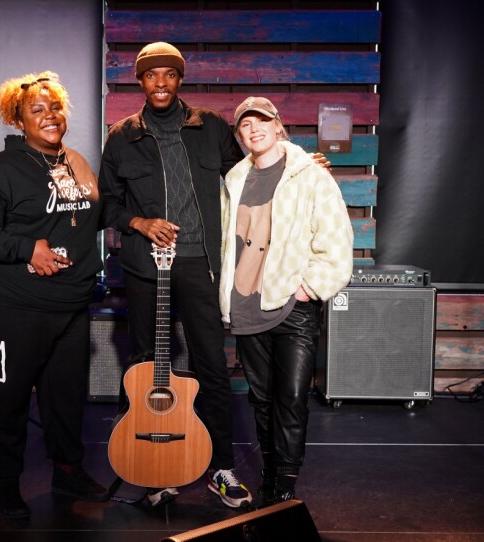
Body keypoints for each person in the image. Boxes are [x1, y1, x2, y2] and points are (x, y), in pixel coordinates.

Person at [99, 42, 253, 509]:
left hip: (200, 264)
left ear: (180, 79)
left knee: (211, 362)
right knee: (146, 364)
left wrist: (300, 169)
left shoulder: (211, 128)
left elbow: (250, 177)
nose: (160, 83)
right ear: (139, 81)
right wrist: (139, 223)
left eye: (169, 74)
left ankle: (221, 467)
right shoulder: (122, 136)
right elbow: (106, 203)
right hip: (146, 266)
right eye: (151, 76)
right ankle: (150, 465)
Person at [0, 71, 108, 520]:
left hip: (69, 302)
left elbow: (93, 214)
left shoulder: (74, 162)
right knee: (8, 396)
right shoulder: (0, 168)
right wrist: (28, 247)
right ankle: (4, 485)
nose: (49, 116)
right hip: (9, 302)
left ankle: (68, 469)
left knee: (65, 394)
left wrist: (138, 221)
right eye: (36, 110)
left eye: (54, 107)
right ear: (18, 120)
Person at [219, 96, 354, 508]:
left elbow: (335, 239)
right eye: (245, 124)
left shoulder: (310, 175)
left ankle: (285, 485)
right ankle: (270, 473)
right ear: (239, 136)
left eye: (262, 120)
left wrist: (309, 288)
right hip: (247, 304)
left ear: (279, 126)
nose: (253, 128)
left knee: (292, 397)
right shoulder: (234, 180)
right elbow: (228, 243)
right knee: (261, 399)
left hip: (293, 306)